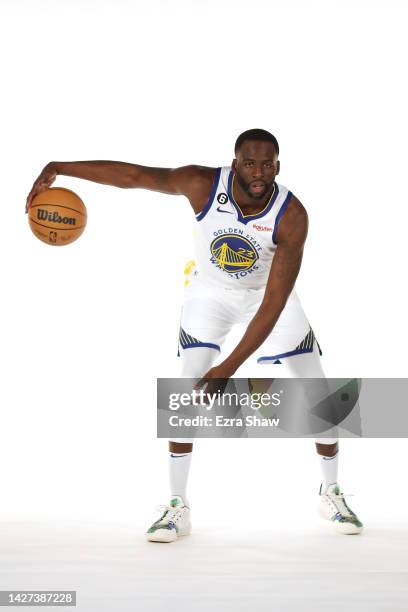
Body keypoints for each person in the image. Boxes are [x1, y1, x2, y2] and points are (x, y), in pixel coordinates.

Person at [26, 128, 363, 542]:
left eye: (268, 164)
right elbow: (134, 176)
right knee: (187, 388)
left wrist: (230, 367)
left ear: (278, 165)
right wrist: (61, 168)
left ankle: (331, 490)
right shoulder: (203, 185)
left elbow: (273, 304)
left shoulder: (292, 215)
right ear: (235, 162)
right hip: (211, 292)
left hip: (265, 295)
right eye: (251, 163)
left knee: (318, 390)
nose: (259, 172)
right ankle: (176, 505)